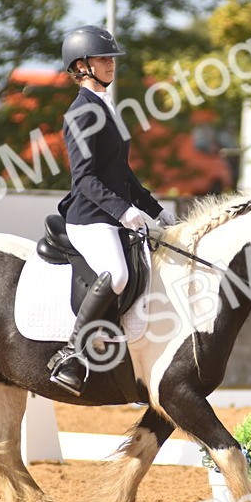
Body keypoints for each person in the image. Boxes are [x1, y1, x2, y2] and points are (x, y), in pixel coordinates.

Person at [49, 25, 176, 396]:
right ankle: (72, 354)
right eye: (103, 59)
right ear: (81, 65)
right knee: (117, 274)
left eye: (111, 59)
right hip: (89, 218)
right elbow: (85, 178)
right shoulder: (80, 113)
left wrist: (154, 210)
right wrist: (123, 212)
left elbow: (121, 172)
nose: (110, 64)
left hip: (112, 214)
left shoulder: (106, 106)